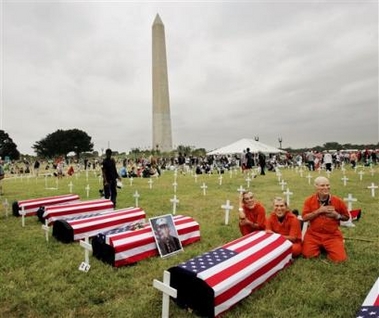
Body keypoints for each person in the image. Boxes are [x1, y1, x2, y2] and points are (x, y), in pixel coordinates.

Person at [301, 176, 350, 262]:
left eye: (327, 185)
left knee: (340, 259)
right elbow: (304, 218)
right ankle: (322, 247)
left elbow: (346, 217)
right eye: (322, 185)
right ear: (316, 187)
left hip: (332, 235)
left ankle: (332, 245)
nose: (326, 188)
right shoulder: (309, 201)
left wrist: (337, 216)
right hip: (313, 234)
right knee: (307, 255)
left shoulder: (338, 201)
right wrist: (318, 211)